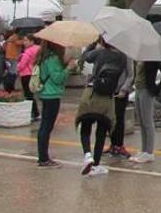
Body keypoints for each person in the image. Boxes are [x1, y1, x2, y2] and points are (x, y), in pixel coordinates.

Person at [75, 38, 131, 177]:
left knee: (86, 127)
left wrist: (92, 44)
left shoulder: (99, 53)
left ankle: (87, 155)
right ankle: (96, 165)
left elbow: (84, 57)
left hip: (92, 93)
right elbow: (127, 75)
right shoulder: (123, 57)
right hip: (108, 97)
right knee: (102, 130)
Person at [35, 39, 74, 168]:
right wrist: (68, 68)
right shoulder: (52, 58)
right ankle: (44, 158)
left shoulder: (44, 56)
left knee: (45, 126)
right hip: (52, 94)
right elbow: (57, 78)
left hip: (46, 93)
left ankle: (43, 157)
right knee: (47, 127)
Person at [130, 59, 161, 164]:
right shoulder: (139, 58)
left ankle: (149, 152)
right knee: (141, 121)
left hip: (146, 90)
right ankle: (144, 150)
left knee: (147, 121)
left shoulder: (152, 58)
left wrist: (158, 88)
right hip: (138, 89)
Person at [106, 51, 135, 160]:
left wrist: (124, 89)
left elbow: (130, 74)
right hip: (109, 90)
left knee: (119, 117)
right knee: (110, 118)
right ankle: (113, 144)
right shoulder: (108, 53)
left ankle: (119, 144)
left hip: (121, 92)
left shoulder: (126, 54)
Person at [17, 35, 41, 121]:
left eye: (26, 40)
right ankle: (36, 113)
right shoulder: (39, 49)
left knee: (28, 95)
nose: (24, 42)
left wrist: (17, 68)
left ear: (32, 41)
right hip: (35, 73)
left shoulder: (28, 52)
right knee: (32, 94)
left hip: (26, 74)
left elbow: (22, 65)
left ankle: (34, 113)